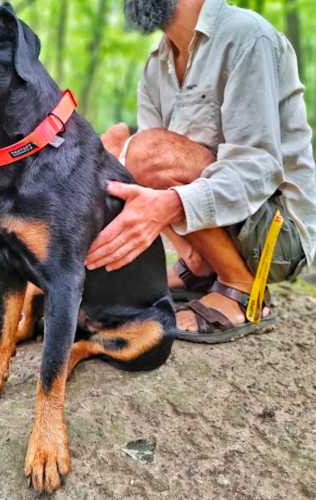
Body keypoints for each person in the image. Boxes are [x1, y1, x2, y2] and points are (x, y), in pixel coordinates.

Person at [85, 0, 316, 342]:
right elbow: (142, 179)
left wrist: (174, 204)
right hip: (232, 227)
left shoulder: (247, 37)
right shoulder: (155, 66)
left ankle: (240, 287)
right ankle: (198, 262)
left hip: (278, 239)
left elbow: (257, 168)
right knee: (111, 148)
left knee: (147, 151)